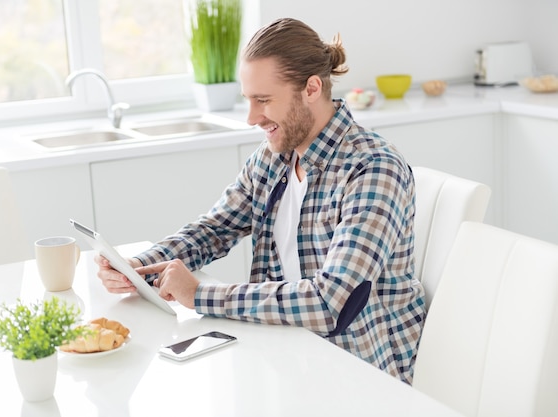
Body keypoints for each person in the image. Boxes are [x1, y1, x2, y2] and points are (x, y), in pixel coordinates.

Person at [96, 17, 425, 384]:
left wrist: (202, 295)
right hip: (284, 355)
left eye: (263, 100)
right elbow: (215, 229)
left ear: (312, 88)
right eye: (248, 100)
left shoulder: (372, 169)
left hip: (360, 373)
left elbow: (332, 303)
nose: (252, 117)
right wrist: (139, 267)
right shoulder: (273, 157)